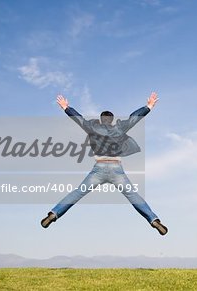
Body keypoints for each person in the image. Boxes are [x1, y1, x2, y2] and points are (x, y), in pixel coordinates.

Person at [40, 92, 168, 235]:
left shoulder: (92, 127)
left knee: (78, 192)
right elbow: (134, 118)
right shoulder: (119, 128)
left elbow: (79, 119)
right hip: (116, 168)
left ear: (101, 120)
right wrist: (148, 106)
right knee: (133, 195)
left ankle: (54, 214)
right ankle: (153, 219)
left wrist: (66, 108)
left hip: (98, 169)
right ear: (112, 120)